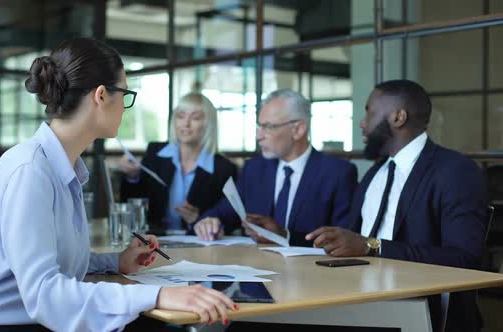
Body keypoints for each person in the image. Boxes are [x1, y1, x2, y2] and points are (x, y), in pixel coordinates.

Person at [0, 38, 236, 332]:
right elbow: (45, 293)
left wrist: (115, 262)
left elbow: (54, 262)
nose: (125, 106)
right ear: (101, 96)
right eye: (124, 94)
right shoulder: (30, 171)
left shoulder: (61, 166)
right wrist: (159, 294)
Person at [305, 80, 487, 332]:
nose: (362, 122)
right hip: (356, 297)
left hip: (420, 309)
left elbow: (464, 258)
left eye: (369, 111)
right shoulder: (375, 172)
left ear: (398, 117)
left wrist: (372, 246)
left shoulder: (455, 171)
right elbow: (353, 241)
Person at [194, 89, 357, 245]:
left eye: (269, 127)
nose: (259, 136)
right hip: (254, 269)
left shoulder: (338, 173)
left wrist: (285, 235)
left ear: (298, 129)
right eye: (259, 126)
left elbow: (342, 240)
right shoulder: (254, 169)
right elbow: (223, 212)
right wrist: (210, 222)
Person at [119, 92, 237, 235]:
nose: (186, 124)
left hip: (197, 245)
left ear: (208, 124)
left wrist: (199, 219)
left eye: (195, 118)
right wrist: (131, 177)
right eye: (180, 116)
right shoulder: (155, 153)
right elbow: (133, 204)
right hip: (154, 239)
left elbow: (231, 219)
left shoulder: (223, 168)